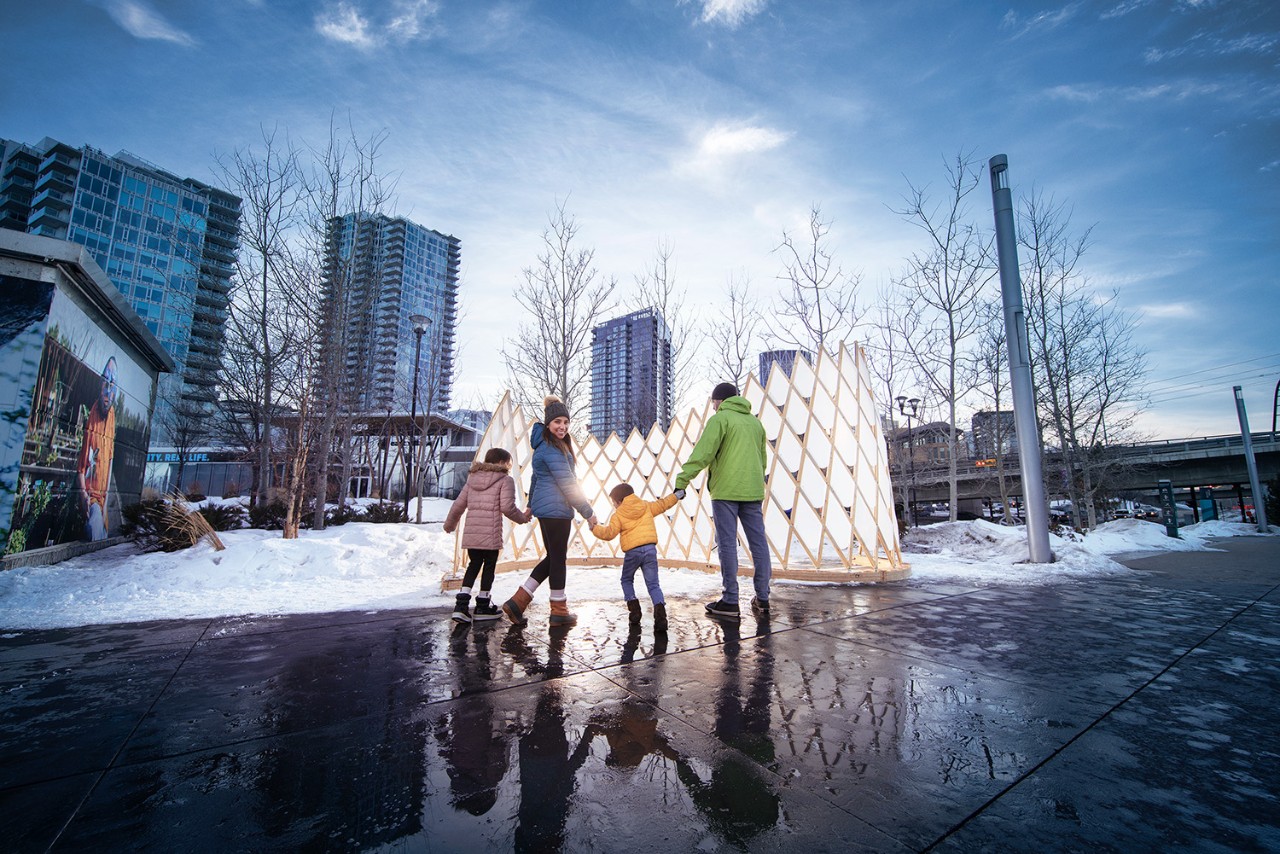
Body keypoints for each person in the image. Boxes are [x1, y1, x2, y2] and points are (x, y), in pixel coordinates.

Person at [674, 381, 772, 620]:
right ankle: (763, 597)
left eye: (713, 402)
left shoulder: (720, 419)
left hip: (726, 491)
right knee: (758, 543)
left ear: (719, 400)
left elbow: (703, 453)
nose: (713, 407)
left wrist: (682, 479)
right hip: (752, 490)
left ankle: (730, 601)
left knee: (727, 544)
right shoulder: (755, 423)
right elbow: (762, 461)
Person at [501, 395, 598, 627]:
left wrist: (532, 504)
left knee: (554, 557)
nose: (562, 426)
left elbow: (536, 478)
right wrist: (588, 511)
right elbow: (567, 483)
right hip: (556, 509)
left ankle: (519, 601)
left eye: (565, 422)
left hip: (548, 508)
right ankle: (558, 609)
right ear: (548, 424)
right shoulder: (552, 448)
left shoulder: (545, 445)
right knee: (558, 559)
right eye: (557, 422)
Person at [442, 447, 532, 624]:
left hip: (473, 534)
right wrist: (523, 518)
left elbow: (458, 506)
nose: (509, 467)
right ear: (501, 463)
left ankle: (461, 606)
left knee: (473, 565)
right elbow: (507, 507)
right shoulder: (505, 480)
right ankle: (483, 605)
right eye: (508, 463)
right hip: (490, 533)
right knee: (489, 566)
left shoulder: (472, 479)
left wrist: (449, 524)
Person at [591, 483, 679, 633]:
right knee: (653, 585)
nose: (614, 506)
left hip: (633, 552)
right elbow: (663, 504)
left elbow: (609, 533)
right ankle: (661, 616)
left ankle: (635, 611)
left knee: (626, 580)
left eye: (614, 503)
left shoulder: (618, 515)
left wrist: (594, 528)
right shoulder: (646, 506)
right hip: (650, 549)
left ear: (619, 501)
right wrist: (676, 496)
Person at [78, 357, 117, 541]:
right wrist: (84, 495)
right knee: (94, 531)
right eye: (106, 381)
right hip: (91, 499)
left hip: (102, 500)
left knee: (102, 535)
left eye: (113, 383)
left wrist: (107, 500)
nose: (108, 390)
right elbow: (81, 467)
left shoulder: (112, 416)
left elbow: (109, 461)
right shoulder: (92, 418)